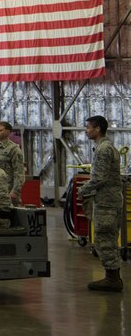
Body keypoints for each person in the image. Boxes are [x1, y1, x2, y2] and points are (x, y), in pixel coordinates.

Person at [79, 115, 123, 292]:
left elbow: (99, 178)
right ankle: (112, 277)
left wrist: (83, 190)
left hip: (106, 202)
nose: (86, 130)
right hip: (108, 201)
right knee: (109, 238)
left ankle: (112, 279)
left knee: (105, 238)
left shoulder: (104, 149)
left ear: (97, 129)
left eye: (88, 127)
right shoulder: (104, 147)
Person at [0, 121, 26, 205]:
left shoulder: (14, 149)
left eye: (0, 130)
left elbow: (19, 173)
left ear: (8, 132)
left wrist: (15, 192)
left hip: (7, 190)